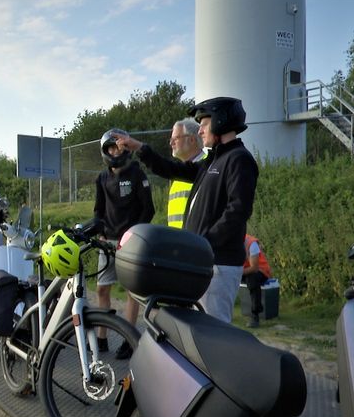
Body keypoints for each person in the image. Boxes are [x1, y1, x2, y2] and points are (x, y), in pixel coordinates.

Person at [116, 97, 259, 323]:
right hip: (203, 260)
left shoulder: (238, 159)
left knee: (214, 332)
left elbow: (237, 211)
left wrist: (204, 243)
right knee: (194, 328)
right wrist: (140, 148)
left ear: (221, 121)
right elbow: (172, 168)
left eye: (204, 124)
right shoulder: (214, 160)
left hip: (219, 263)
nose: (200, 131)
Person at [94, 128, 155, 359]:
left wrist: (133, 235)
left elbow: (148, 209)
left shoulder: (137, 174)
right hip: (107, 242)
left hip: (130, 243)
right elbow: (98, 210)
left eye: (119, 146)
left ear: (126, 148)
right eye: (111, 147)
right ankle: (101, 337)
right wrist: (100, 232)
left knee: (132, 292)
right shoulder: (101, 178)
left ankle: (129, 340)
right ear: (105, 151)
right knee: (102, 289)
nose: (115, 151)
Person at [167, 118, 206, 229]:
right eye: (171, 139)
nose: (171, 143)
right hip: (178, 240)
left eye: (176, 138)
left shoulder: (207, 167)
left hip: (195, 240)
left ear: (192, 139)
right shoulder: (179, 172)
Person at [242, 234, 272, 328]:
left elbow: (254, 268)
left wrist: (237, 273)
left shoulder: (251, 243)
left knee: (252, 279)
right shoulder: (229, 240)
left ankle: (255, 315)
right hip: (243, 270)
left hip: (260, 270)